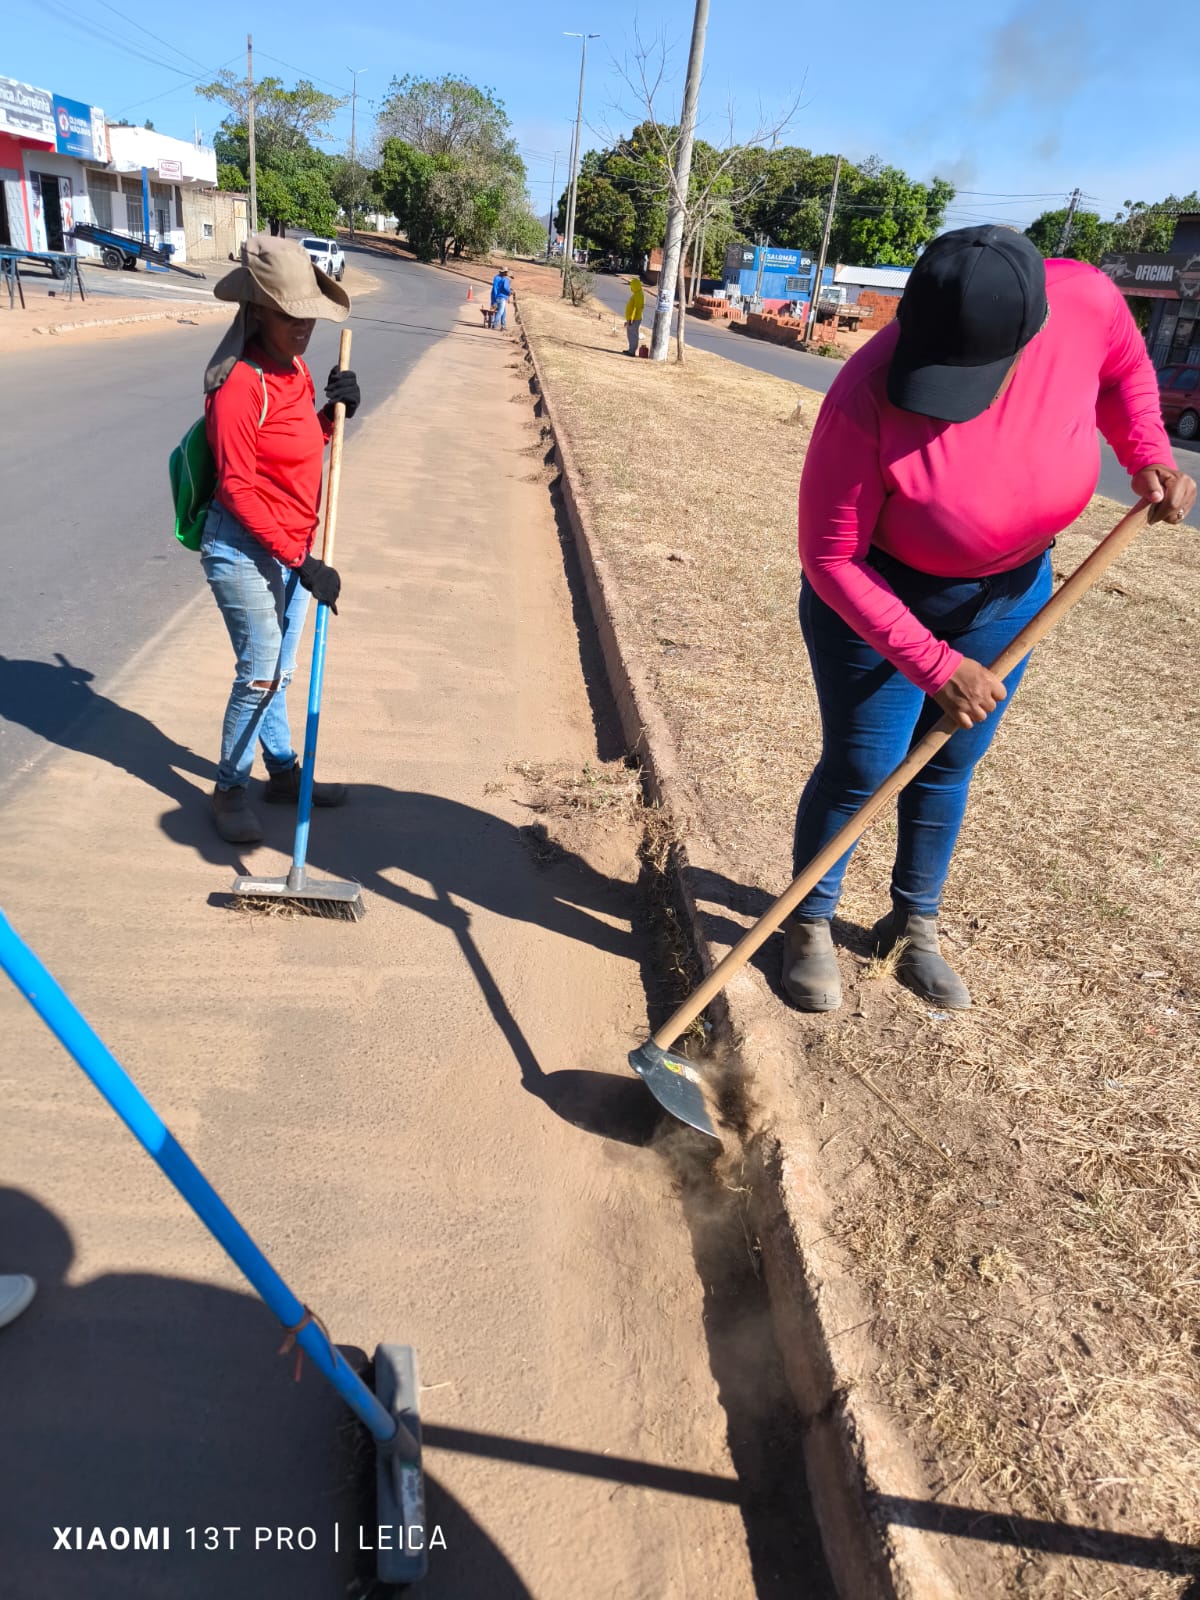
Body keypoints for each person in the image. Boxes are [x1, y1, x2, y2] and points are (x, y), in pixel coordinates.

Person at [785, 225, 1195, 1013]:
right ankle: (807, 921)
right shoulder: (865, 394)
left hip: (1010, 596)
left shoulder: (1085, 300)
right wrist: (935, 665)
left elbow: (1126, 372)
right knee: (863, 767)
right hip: (881, 595)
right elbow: (831, 560)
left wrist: (1148, 449)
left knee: (948, 763)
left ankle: (913, 923)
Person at [200, 235, 362, 844]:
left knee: (281, 672)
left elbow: (298, 448)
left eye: (310, 316)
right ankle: (229, 789)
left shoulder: (290, 369)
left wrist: (334, 414)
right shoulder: (239, 384)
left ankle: (284, 775)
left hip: (291, 548)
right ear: (259, 311)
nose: (305, 328)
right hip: (242, 549)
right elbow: (239, 488)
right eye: (292, 316)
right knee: (261, 672)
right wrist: (302, 561)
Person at [624, 275, 645, 356]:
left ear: (635, 285)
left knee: (633, 335)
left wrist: (631, 319)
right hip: (632, 318)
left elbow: (636, 308)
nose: (631, 287)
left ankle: (632, 351)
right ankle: (630, 350)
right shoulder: (637, 293)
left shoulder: (639, 295)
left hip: (635, 318)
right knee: (630, 334)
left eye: (632, 285)